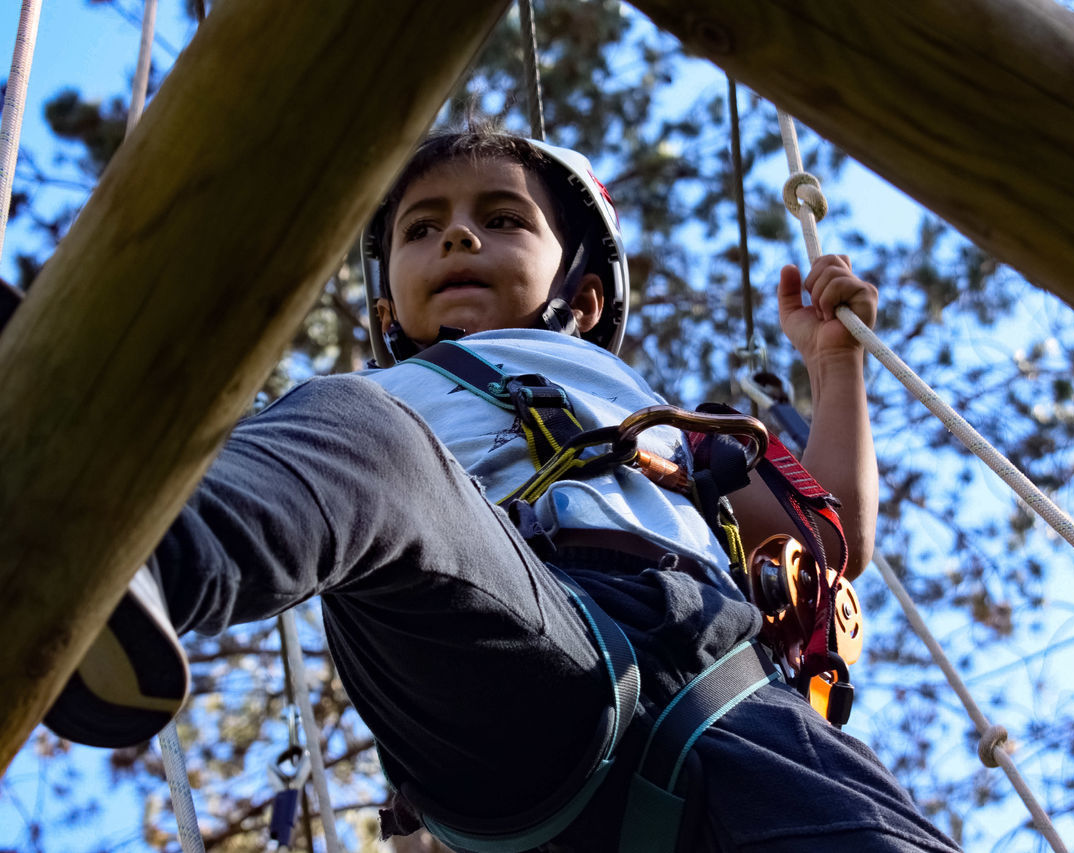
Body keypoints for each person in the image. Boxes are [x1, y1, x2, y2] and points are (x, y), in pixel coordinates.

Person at [45, 129, 960, 853]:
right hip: (502, 668)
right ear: (386, 308)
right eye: (420, 227)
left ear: (585, 298)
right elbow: (318, 487)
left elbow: (831, 536)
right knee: (360, 431)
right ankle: (108, 552)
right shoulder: (363, 409)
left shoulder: (668, 422)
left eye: (503, 218)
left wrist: (834, 365)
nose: (457, 234)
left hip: (725, 687)